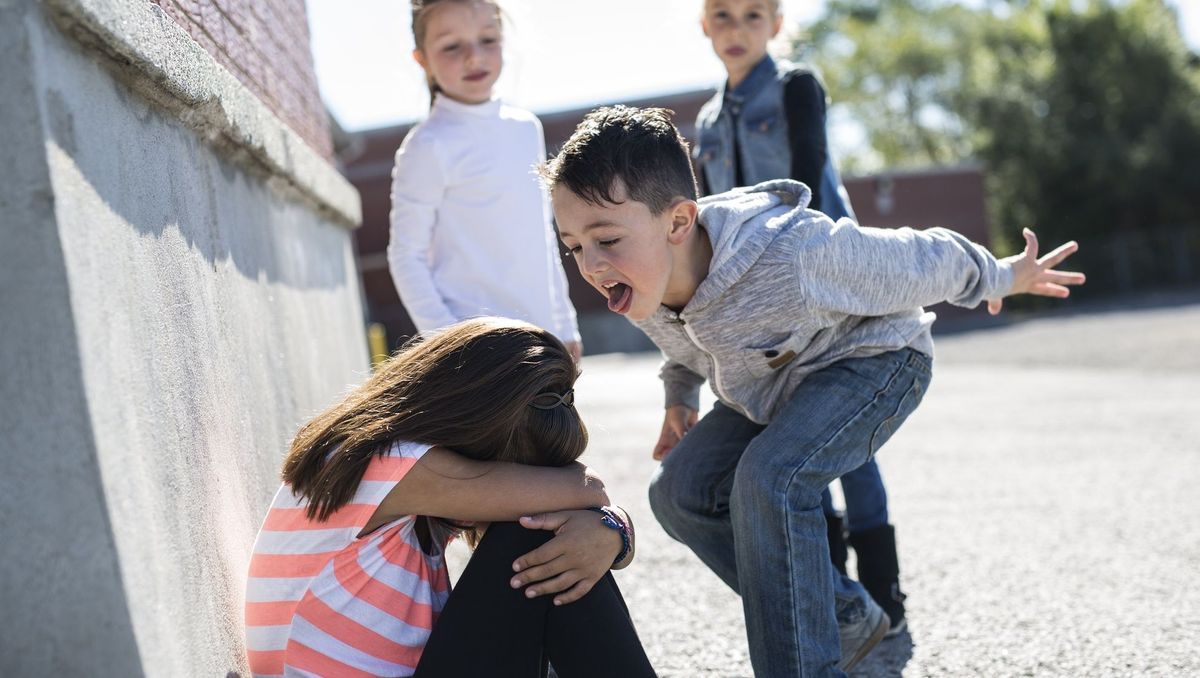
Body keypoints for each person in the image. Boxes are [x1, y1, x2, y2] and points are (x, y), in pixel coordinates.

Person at [541, 105, 1084, 677]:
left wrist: (1003, 276)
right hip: (774, 385)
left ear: (678, 222)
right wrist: (680, 397)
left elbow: (923, 258)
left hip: (875, 361)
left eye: (606, 239)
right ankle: (843, 615)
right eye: (573, 246)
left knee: (770, 478)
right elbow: (684, 344)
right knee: (678, 492)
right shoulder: (642, 279)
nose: (591, 266)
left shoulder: (793, 254)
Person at [243, 318, 656, 677]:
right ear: (475, 426)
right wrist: (609, 524)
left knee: (557, 542)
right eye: (515, 469)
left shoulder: (405, 477)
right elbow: (587, 490)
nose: (517, 483)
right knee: (536, 533)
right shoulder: (386, 463)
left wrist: (610, 529)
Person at [693, 0, 908, 634]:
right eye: (722, 15)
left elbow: (810, 175)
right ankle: (838, 594)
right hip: (756, 303)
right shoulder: (706, 120)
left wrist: (813, 273)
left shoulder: (796, 86)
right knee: (794, 437)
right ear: (704, 25)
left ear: (777, 23)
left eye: (752, 15)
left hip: (825, 280)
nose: (737, 29)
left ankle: (885, 593)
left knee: (848, 441)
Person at [388, 0, 582, 361]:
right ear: (422, 60)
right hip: (477, 354)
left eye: (488, 40)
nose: (473, 57)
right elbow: (406, 256)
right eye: (452, 46)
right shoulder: (427, 145)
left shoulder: (526, 128)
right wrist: (450, 345)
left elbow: (541, 236)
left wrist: (565, 325)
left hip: (543, 340)